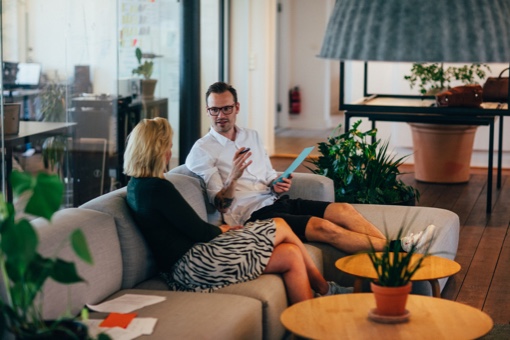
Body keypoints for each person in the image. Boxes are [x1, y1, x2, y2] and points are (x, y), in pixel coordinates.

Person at [185, 82, 435, 254]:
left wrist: (277, 181)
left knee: (343, 210)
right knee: (323, 227)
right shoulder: (203, 150)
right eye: (214, 110)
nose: (220, 115)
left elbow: (268, 174)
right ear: (208, 111)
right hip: (252, 217)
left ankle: (393, 249)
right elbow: (220, 205)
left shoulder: (251, 135)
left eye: (226, 108)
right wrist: (233, 178)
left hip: (276, 201)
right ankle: (400, 248)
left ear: (236, 108)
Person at [123, 117, 351, 305]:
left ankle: (308, 319)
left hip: (190, 259)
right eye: (167, 146)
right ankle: (325, 289)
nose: (169, 152)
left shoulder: (136, 185)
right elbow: (200, 232)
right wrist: (226, 229)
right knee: (280, 226)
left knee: (291, 254)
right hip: (194, 264)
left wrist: (223, 230)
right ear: (156, 150)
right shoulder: (157, 188)